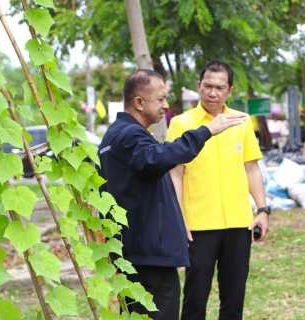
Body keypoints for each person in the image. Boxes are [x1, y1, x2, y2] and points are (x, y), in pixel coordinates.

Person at [97, 69, 247, 319]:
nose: (166, 105)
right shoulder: (130, 134)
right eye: (161, 99)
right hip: (148, 255)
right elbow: (156, 158)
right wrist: (206, 131)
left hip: (133, 249)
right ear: (139, 102)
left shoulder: (112, 135)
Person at [166, 60, 270, 320]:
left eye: (220, 88)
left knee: (234, 299)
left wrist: (263, 210)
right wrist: (179, 220)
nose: (213, 93)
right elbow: (175, 174)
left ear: (230, 91)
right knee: (195, 298)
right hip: (198, 225)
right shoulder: (181, 123)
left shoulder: (242, 121)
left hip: (239, 223)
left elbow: (252, 168)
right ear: (199, 86)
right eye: (208, 86)